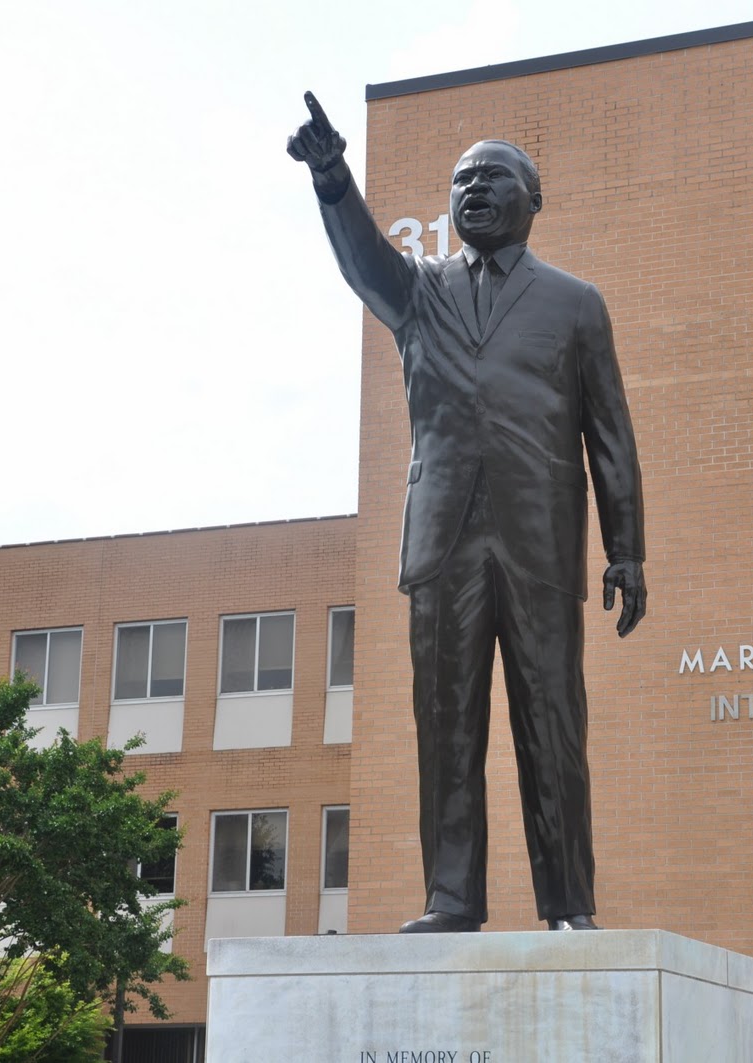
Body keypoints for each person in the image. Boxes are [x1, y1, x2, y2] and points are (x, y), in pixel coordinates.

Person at [288, 93, 646, 933]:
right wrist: (333, 177)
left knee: (552, 725)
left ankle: (567, 904)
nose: (472, 190)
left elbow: (612, 437)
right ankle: (451, 898)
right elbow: (364, 263)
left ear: (533, 199)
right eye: (460, 181)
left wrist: (625, 548)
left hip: (541, 544)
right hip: (443, 544)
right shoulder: (419, 294)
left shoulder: (576, 303)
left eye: (492, 177)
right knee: (445, 729)